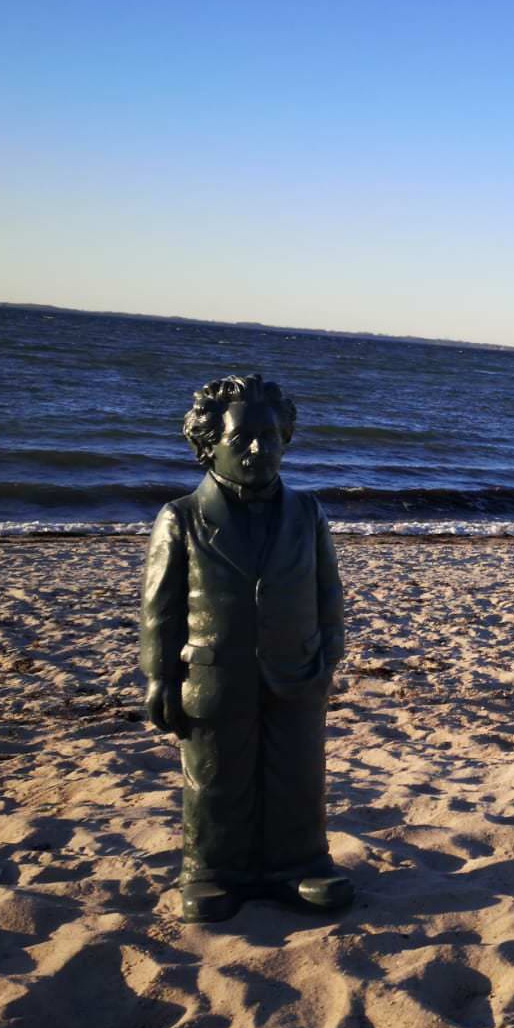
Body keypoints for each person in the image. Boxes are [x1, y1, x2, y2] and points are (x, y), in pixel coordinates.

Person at [140, 374, 351, 923]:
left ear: (285, 438)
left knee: (298, 771)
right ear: (209, 444)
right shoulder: (182, 517)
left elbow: (328, 590)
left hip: (297, 668)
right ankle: (211, 869)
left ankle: (300, 863)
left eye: (270, 437)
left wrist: (329, 651)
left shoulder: (307, 513)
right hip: (214, 673)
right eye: (242, 439)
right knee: (215, 773)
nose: (258, 449)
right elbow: (160, 608)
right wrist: (160, 677)